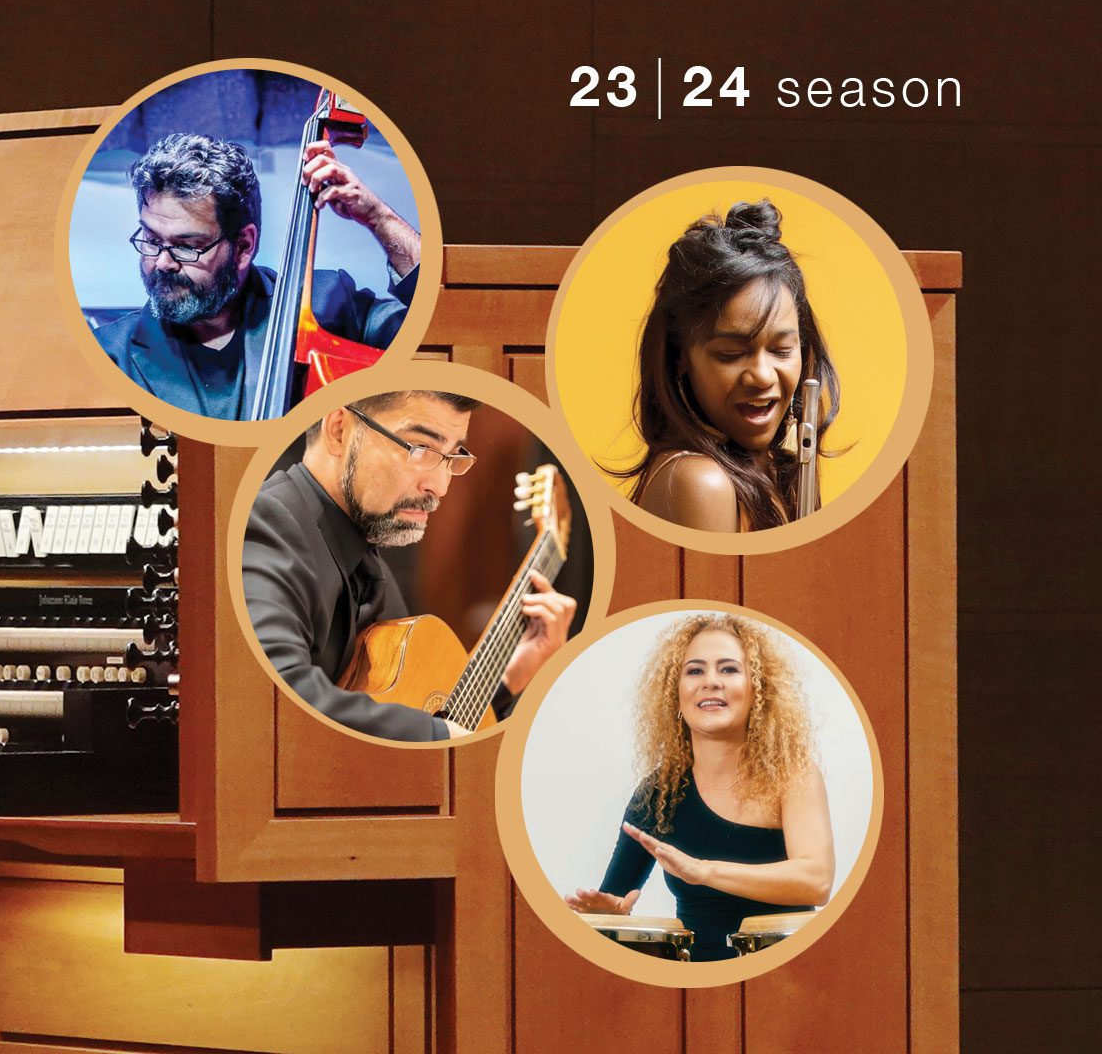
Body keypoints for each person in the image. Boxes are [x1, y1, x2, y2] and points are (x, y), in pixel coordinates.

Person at [240, 390, 576, 742]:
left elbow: (405, 711)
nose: (440, 486)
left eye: (452, 456)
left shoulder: (364, 547)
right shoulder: (269, 523)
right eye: (419, 449)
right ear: (339, 430)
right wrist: (433, 734)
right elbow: (276, 692)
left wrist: (504, 683)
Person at [564, 614, 835, 962]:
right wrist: (610, 914)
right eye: (695, 671)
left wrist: (703, 871)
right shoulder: (657, 793)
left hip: (789, 974)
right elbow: (613, 905)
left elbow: (817, 880)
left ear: (758, 689)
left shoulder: (793, 774)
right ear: (675, 695)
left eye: (728, 669)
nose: (711, 682)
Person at [94, 132, 421, 419]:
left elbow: (439, 329)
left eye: (187, 245)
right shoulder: (111, 355)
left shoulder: (328, 304)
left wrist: (381, 219)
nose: (162, 263)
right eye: (151, 239)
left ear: (244, 245)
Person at [610, 200, 842, 532]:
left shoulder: (774, 468)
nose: (762, 376)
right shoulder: (701, 483)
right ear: (681, 360)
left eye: (781, 349)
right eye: (731, 354)